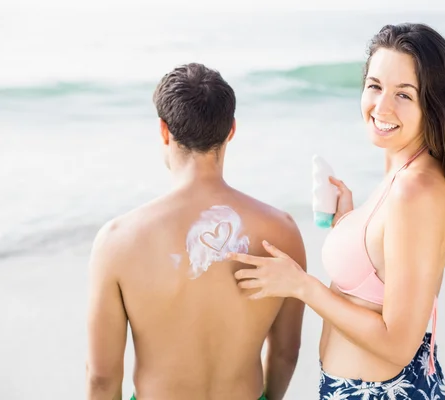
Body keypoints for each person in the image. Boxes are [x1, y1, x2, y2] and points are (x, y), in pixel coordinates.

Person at [228, 23, 445, 399]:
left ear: (434, 105)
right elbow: (382, 276)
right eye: (375, 86)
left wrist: (301, 286)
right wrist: (350, 222)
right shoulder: (405, 171)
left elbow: (397, 344)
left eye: (404, 94)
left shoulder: (415, 191)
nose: (381, 106)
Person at [85, 63, 307, 400]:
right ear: (231, 130)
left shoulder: (117, 242)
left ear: (164, 131)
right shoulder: (283, 231)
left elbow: (102, 378)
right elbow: (285, 353)